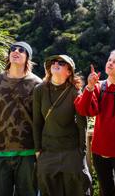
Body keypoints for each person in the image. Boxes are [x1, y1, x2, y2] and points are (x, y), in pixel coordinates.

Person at [74, 50, 115, 196]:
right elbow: (84, 110)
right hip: (100, 151)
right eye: (109, 60)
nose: (110, 62)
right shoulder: (99, 87)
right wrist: (90, 87)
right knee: (106, 190)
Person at [0, 41, 42, 196]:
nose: (16, 51)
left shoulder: (36, 83)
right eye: (13, 49)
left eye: (21, 50)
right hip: (0, 150)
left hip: (28, 151)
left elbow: (40, 120)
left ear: (27, 57)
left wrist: (40, 149)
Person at [33, 55, 91, 196]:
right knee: (48, 190)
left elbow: (82, 123)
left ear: (69, 71)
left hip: (71, 151)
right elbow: (37, 121)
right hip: (48, 151)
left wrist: (81, 152)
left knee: (77, 190)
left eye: (61, 62)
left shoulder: (75, 92)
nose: (56, 64)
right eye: (53, 62)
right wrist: (38, 150)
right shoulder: (39, 90)